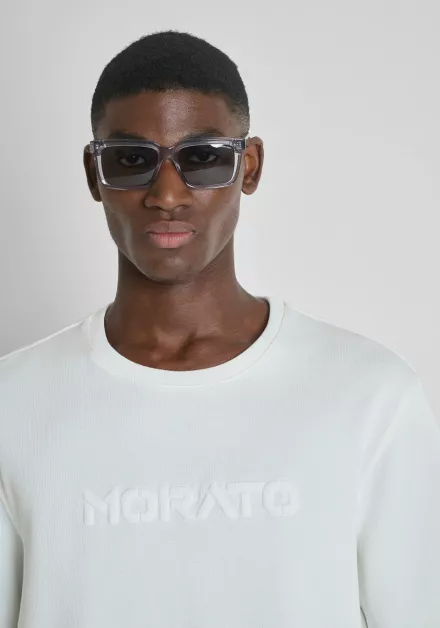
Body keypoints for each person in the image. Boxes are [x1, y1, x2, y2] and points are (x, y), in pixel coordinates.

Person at [0, 29, 439, 628]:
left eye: (203, 158)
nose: (167, 194)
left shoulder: (370, 396)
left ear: (249, 166)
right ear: (93, 173)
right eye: (131, 160)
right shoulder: (14, 403)